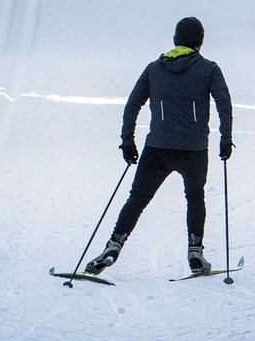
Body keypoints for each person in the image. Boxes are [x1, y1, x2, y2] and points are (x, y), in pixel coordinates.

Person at [85, 17, 233, 275]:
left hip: (158, 148)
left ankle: (114, 243)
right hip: (194, 149)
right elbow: (224, 104)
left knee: (137, 199)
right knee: (195, 197)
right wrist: (225, 138)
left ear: (175, 40)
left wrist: (127, 140)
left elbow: (133, 104)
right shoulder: (209, 69)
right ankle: (195, 250)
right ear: (200, 42)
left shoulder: (154, 69)